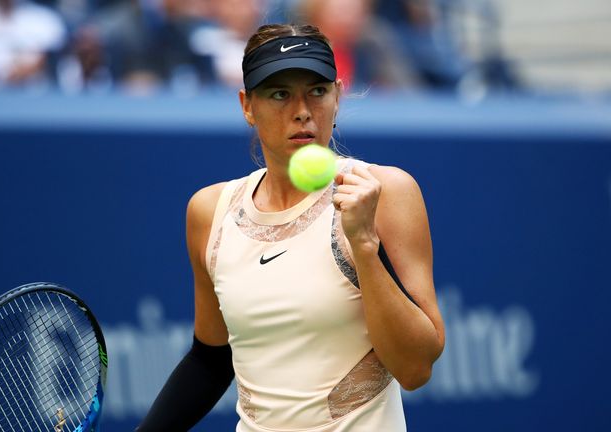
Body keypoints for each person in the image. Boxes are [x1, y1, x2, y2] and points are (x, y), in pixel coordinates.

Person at [136, 23, 445, 432]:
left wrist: (364, 246)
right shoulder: (210, 211)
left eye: (316, 91)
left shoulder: (386, 191)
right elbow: (210, 358)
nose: (302, 110)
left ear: (337, 95)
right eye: (280, 93)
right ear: (247, 105)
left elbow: (415, 368)